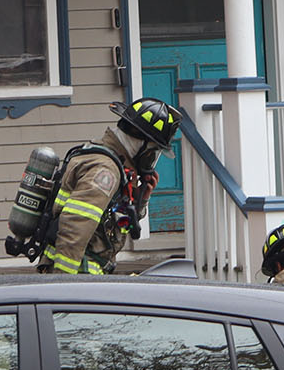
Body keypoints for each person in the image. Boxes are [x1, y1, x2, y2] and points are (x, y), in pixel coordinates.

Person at [37, 97, 181, 275]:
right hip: (79, 275)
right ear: (140, 144)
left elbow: (117, 223)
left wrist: (140, 200)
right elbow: (75, 225)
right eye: (153, 152)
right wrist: (64, 283)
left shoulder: (113, 163)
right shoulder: (105, 171)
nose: (151, 160)